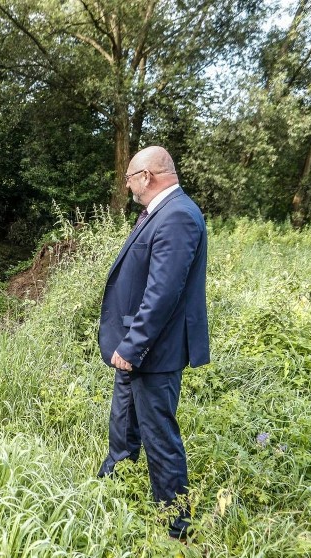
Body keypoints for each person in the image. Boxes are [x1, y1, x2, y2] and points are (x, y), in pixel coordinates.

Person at [96, 146, 210, 540]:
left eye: (129, 180)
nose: (128, 188)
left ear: (145, 176)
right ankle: (113, 489)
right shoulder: (160, 213)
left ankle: (177, 530)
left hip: (154, 351)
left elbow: (163, 293)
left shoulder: (177, 216)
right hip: (138, 344)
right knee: (123, 424)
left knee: (159, 435)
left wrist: (133, 346)